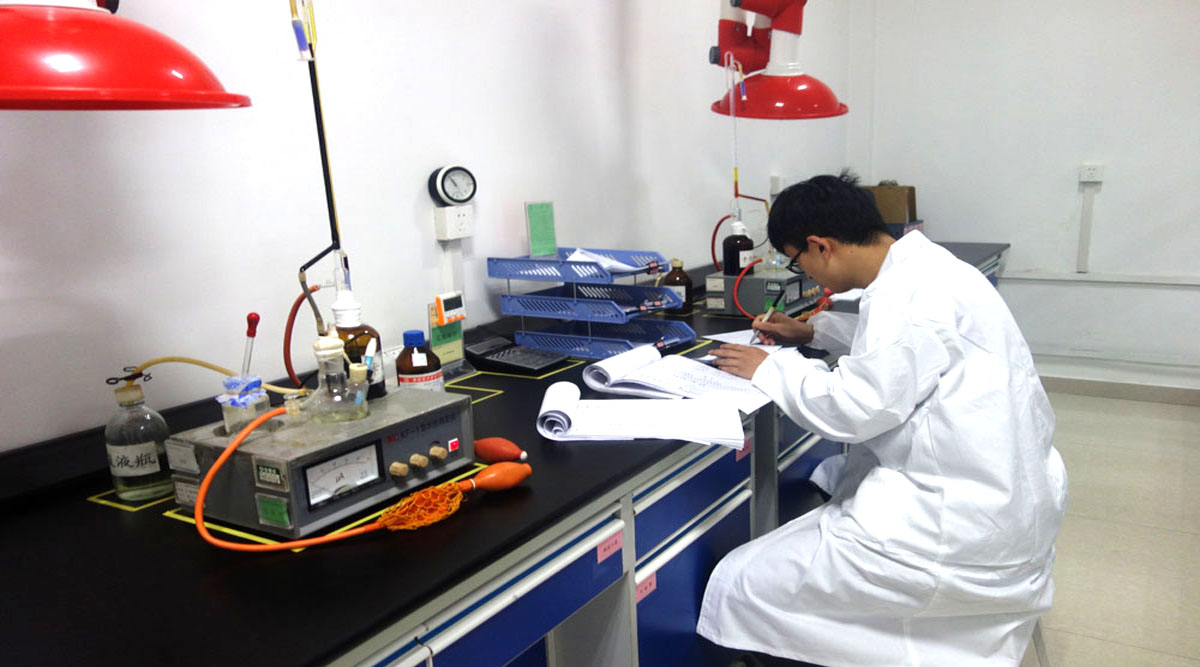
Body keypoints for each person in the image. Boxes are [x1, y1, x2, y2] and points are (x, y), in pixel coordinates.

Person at [699, 172, 1068, 666]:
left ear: (821, 246)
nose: (805, 273)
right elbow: (907, 347)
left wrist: (770, 368)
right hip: (1012, 505)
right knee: (830, 480)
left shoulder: (903, 297)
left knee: (742, 583)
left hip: (954, 534)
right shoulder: (930, 268)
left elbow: (853, 409)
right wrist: (812, 332)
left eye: (798, 261)